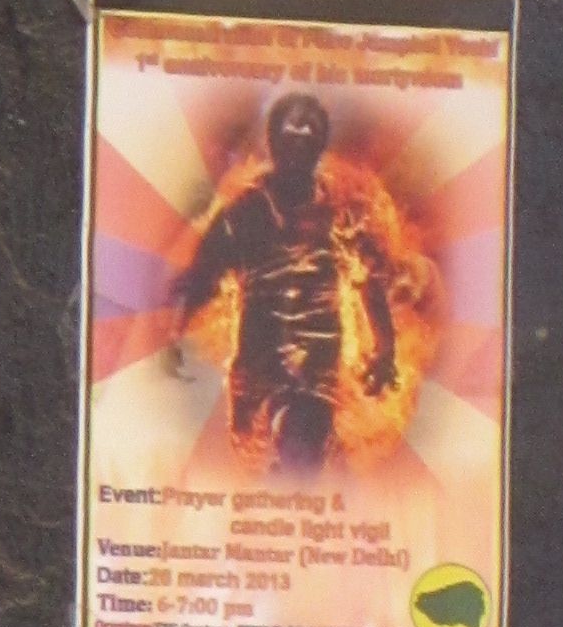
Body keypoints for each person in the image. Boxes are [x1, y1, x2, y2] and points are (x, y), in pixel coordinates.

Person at [166, 92, 398, 469]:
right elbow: (203, 277)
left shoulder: (343, 212)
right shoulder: (244, 213)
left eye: (309, 134)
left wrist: (385, 351)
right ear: (273, 141)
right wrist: (175, 331)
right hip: (257, 370)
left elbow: (369, 283)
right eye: (292, 133)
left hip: (318, 375)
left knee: (302, 448)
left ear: (320, 145)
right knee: (268, 468)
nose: (300, 141)